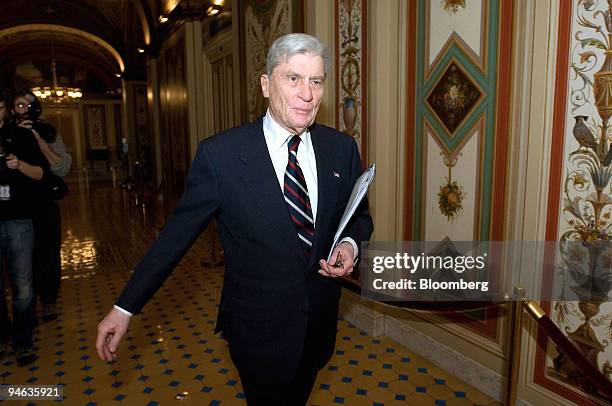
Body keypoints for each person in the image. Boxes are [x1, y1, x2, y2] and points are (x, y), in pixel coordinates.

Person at [96, 33, 373, 404]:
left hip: (318, 326)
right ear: (265, 84)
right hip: (258, 333)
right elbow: (174, 239)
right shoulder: (221, 156)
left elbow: (359, 217)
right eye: (293, 78)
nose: (307, 94)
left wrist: (350, 246)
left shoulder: (340, 148)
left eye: (316, 81)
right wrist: (124, 307)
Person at [13, 91, 71, 322]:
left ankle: (49, 301)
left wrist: (39, 141)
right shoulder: (7, 132)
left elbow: (62, 167)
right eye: (19, 104)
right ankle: (27, 303)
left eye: (30, 104)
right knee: (22, 257)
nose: (25, 109)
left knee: (48, 253)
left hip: (44, 203)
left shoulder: (47, 132)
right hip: (15, 205)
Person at [0, 89, 48, 366]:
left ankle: (23, 341)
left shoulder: (20, 136)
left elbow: (41, 173)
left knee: (23, 286)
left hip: (18, 218)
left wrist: (18, 165)